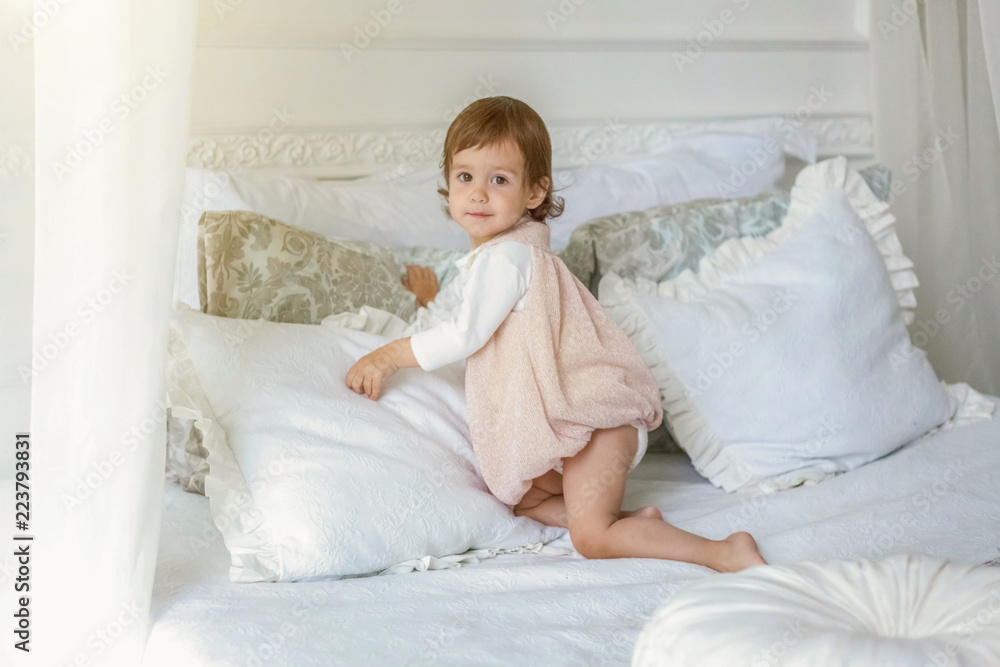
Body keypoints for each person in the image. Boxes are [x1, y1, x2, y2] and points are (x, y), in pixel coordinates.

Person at [346, 96, 766, 573]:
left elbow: (463, 334)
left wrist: (388, 356)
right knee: (521, 501)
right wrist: (428, 300)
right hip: (581, 424)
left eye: (498, 179)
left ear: (534, 192)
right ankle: (635, 524)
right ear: (448, 182)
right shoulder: (505, 259)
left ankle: (722, 550)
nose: (479, 193)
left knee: (590, 538)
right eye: (465, 176)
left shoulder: (507, 259)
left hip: (597, 422)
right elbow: (469, 316)